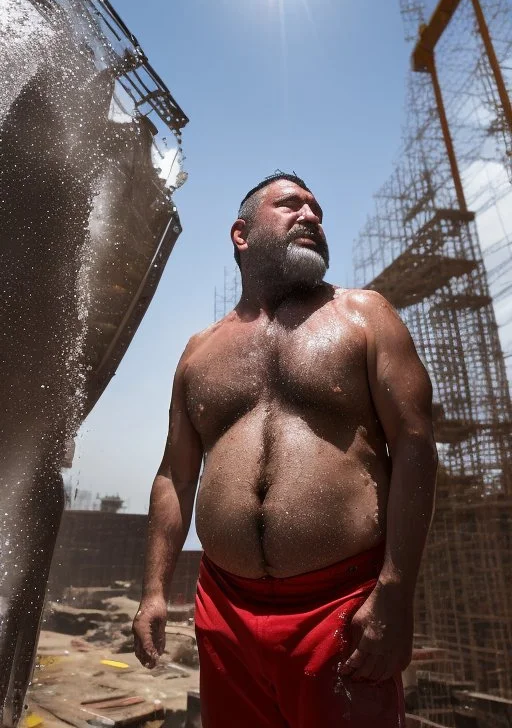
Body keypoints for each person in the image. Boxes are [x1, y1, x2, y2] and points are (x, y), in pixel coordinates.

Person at [133, 172, 438, 727]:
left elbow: (416, 446)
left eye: (318, 210)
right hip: (222, 610)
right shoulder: (199, 352)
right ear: (241, 234)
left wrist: (395, 592)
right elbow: (174, 476)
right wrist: (153, 590)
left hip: (338, 609)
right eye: (291, 204)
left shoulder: (365, 317)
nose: (312, 217)